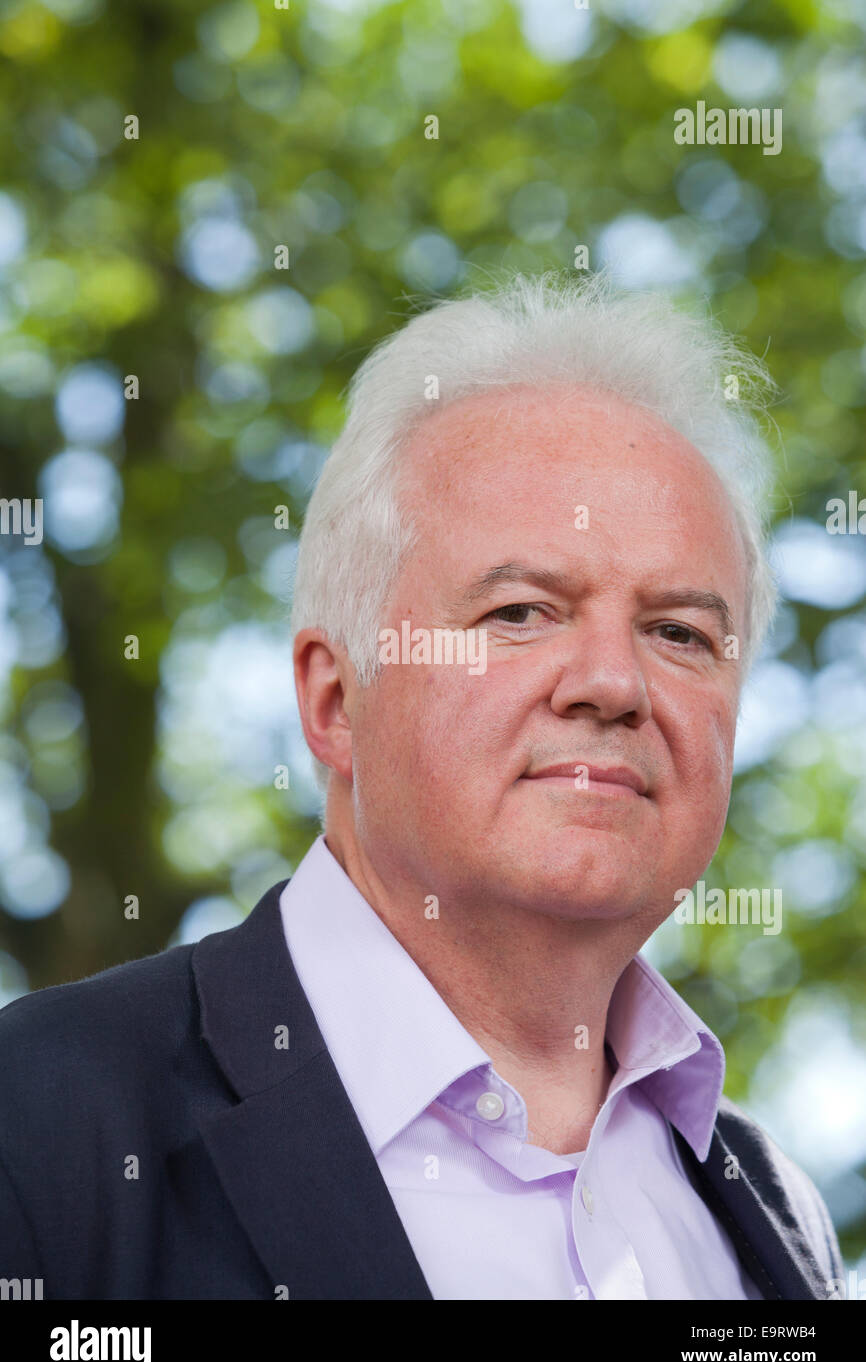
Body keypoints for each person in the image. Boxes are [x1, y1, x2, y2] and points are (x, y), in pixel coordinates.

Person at [0, 273, 844, 1299]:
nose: (613, 685)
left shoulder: (768, 1210)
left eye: (677, 632)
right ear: (334, 698)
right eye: (523, 611)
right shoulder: (39, 1122)